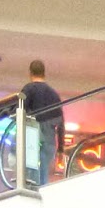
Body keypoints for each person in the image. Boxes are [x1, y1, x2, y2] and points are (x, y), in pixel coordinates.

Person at [21, 60, 64, 188]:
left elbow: (20, 112)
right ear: (44, 73)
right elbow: (61, 121)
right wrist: (61, 147)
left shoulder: (28, 90)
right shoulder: (54, 94)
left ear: (30, 73)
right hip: (49, 137)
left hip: (32, 134)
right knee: (44, 170)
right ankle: (42, 193)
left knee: (31, 170)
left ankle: (31, 193)